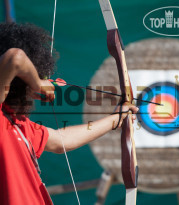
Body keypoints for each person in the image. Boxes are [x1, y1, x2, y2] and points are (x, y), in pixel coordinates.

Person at [0, 23, 138, 205]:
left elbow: (61, 140)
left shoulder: (19, 125)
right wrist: (38, 83)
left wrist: (116, 119)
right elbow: (15, 58)